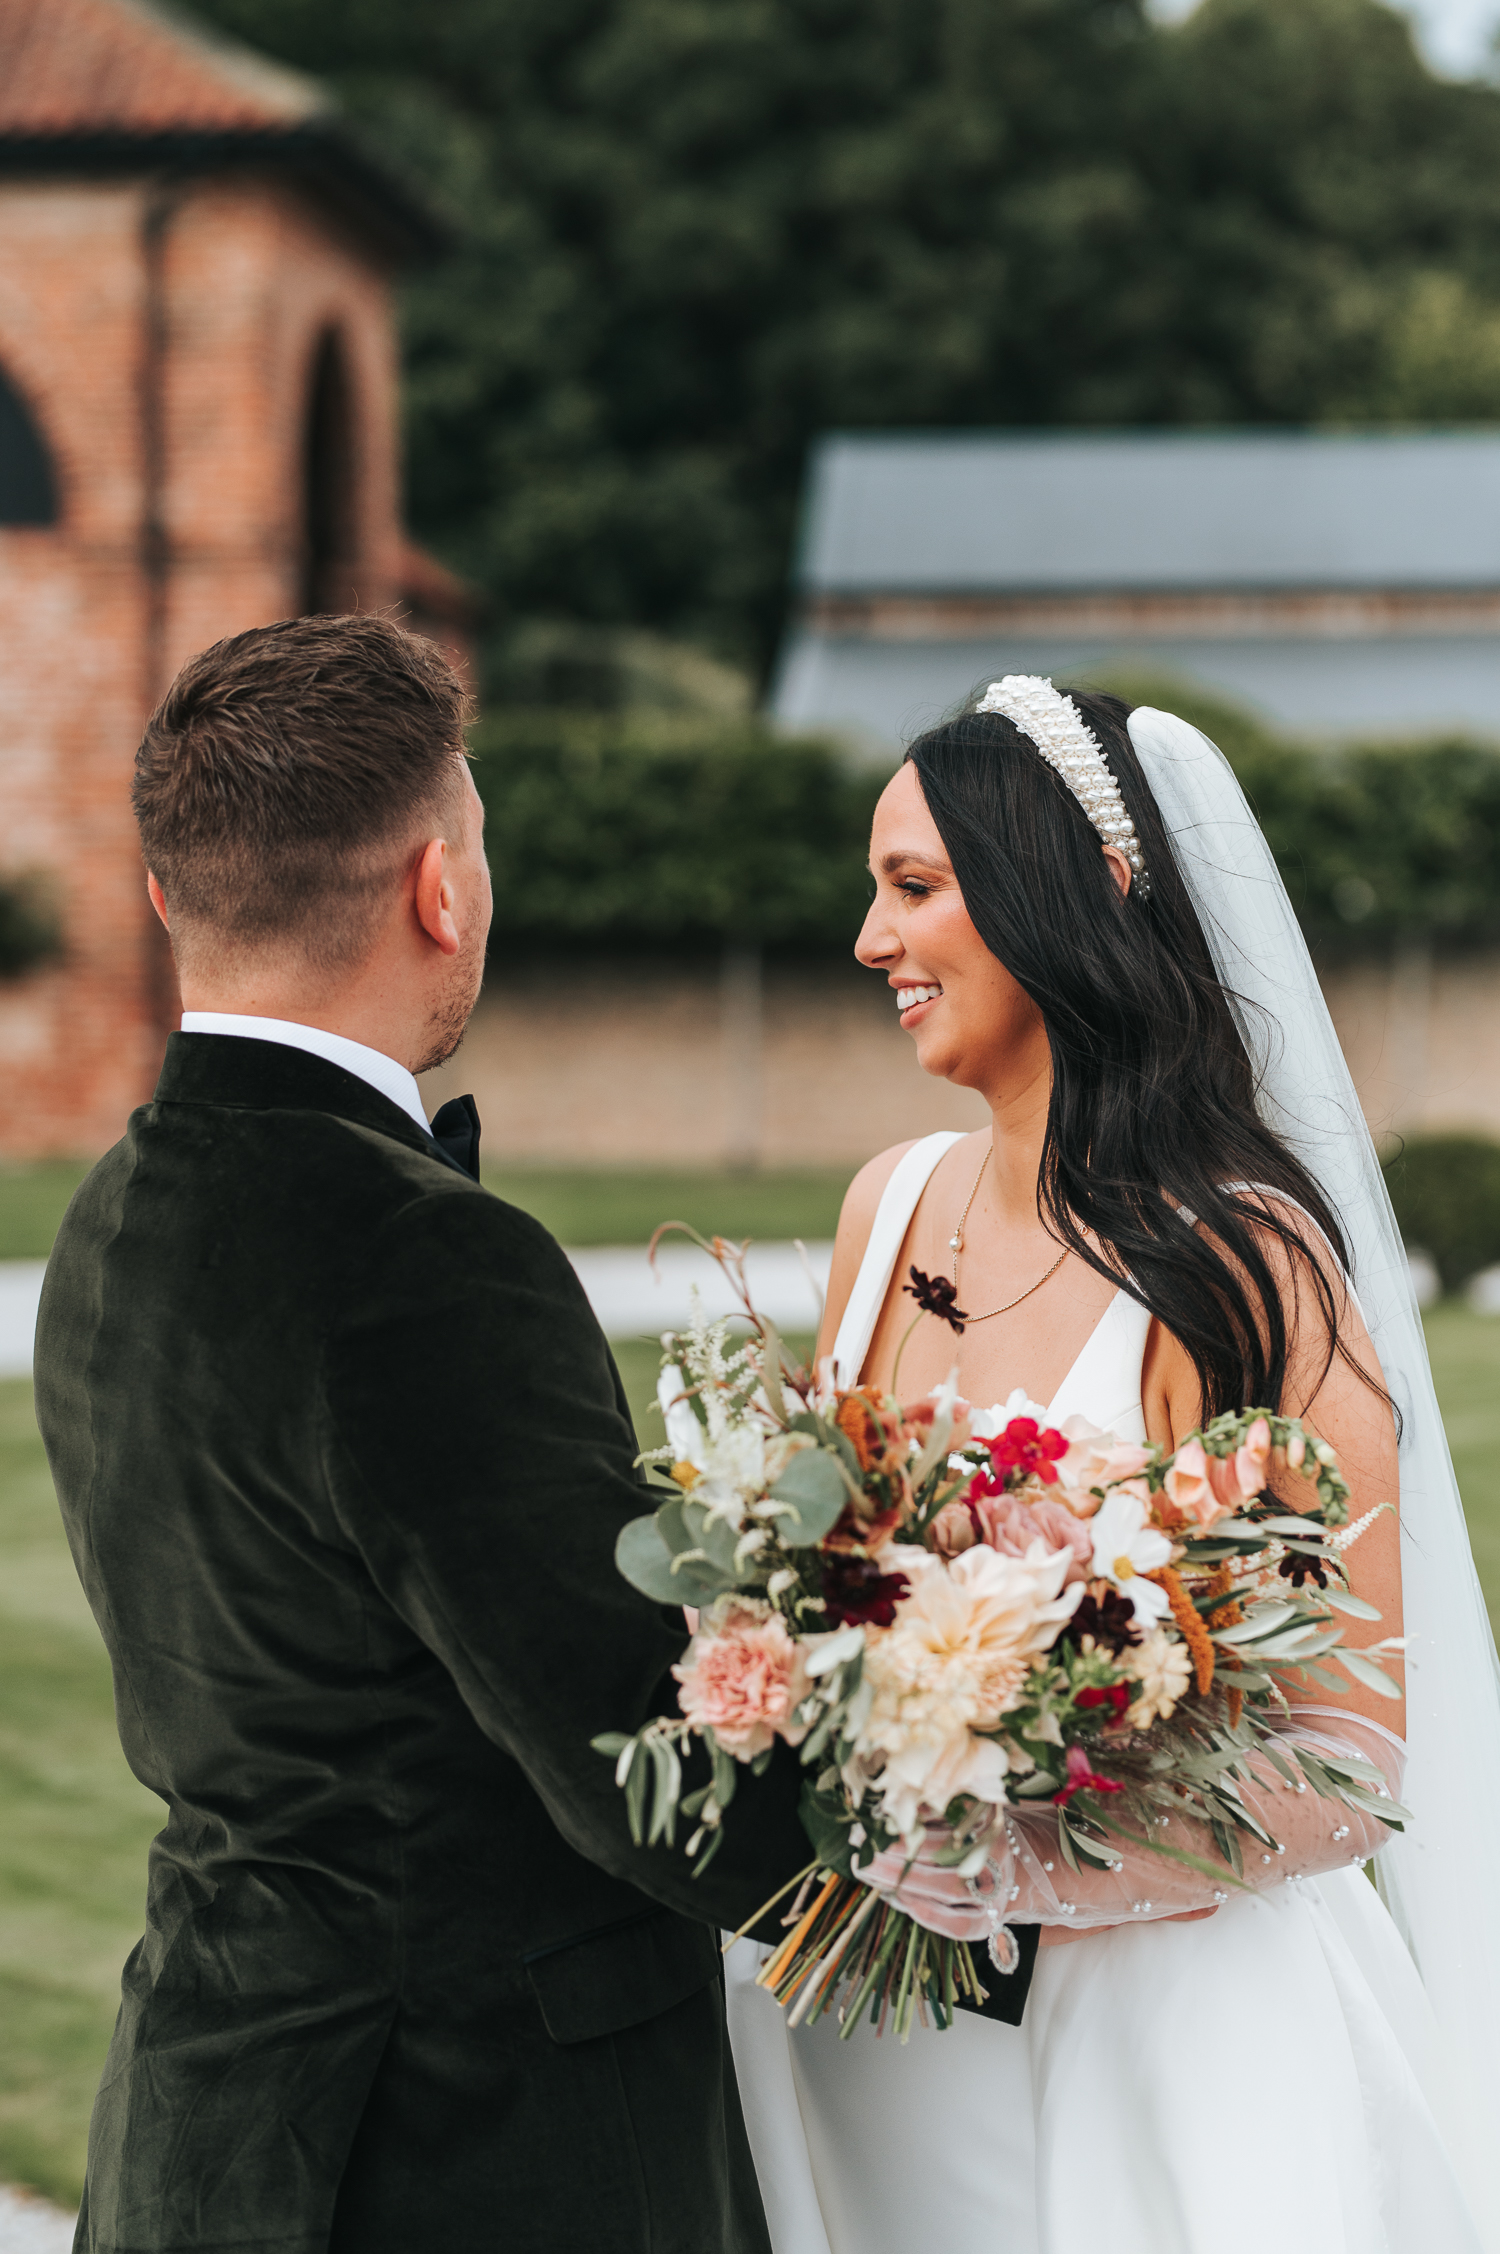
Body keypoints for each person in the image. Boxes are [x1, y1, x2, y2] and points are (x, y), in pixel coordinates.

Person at [32, 613, 822, 2254]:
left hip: (206, 2113)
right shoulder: (429, 1259)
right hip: (473, 2149)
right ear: (437, 888)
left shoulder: (108, 1218)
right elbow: (632, 1760)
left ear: (169, 898)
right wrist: (985, 1855)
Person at [722, 681, 1500, 2254]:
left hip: (1173, 2044)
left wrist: (1022, 1859)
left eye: (915, 888)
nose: (870, 940)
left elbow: (1346, 1756)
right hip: (870, 2040)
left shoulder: (1239, 1265)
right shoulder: (888, 1207)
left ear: (1077, 891)